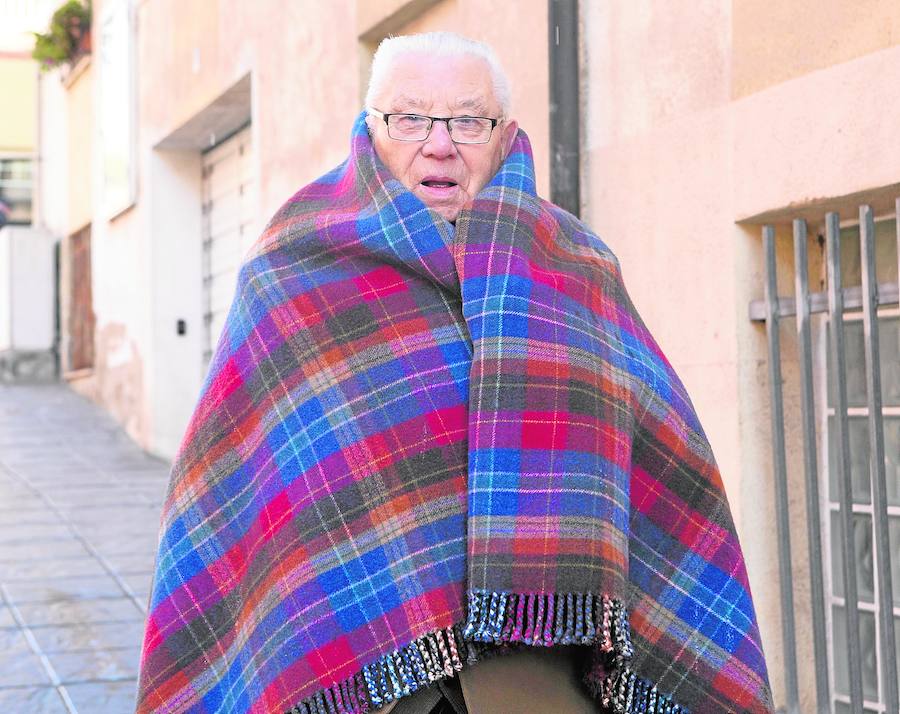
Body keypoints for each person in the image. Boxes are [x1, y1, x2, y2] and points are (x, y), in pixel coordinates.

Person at [137, 33, 773, 714]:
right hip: (370, 682)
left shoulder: (577, 266)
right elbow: (236, 479)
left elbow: (660, 461)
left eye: (469, 120)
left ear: (506, 137)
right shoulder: (292, 270)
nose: (439, 144)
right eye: (409, 118)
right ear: (370, 131)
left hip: (543, 683)